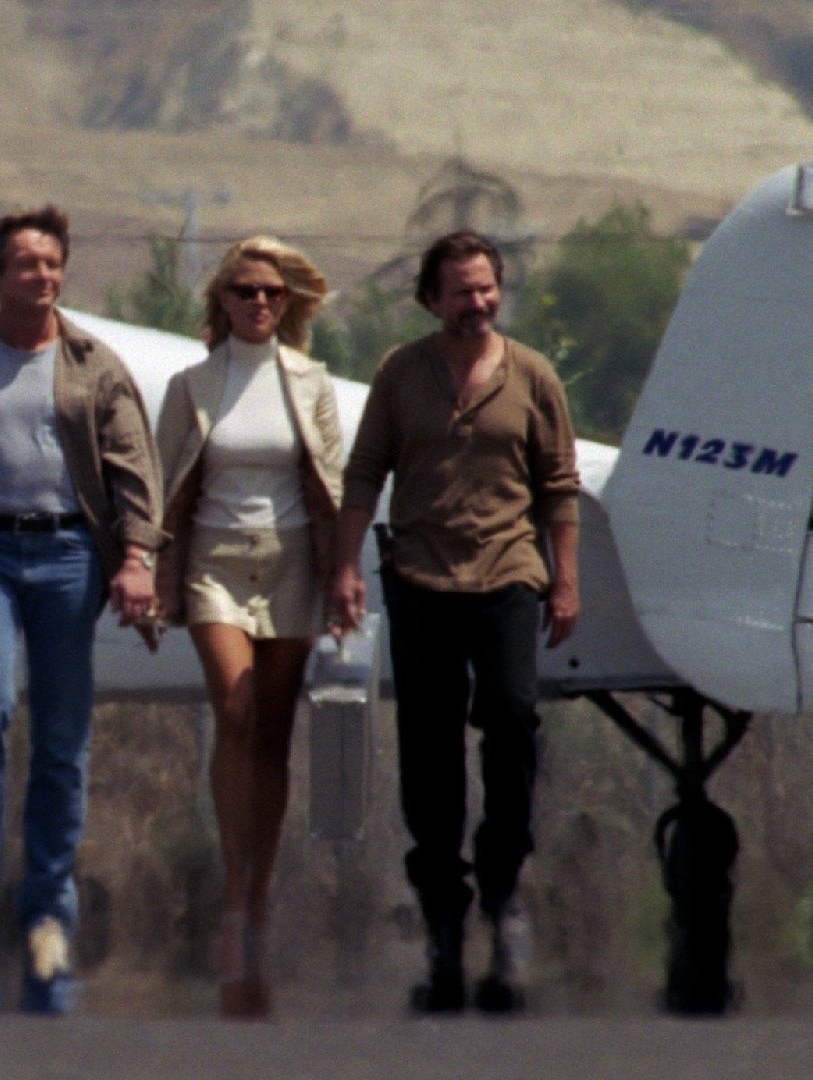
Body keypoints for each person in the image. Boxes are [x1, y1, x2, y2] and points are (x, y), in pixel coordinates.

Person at [0, 205, 166, 1016]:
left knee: (61, 734)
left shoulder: (94, 365)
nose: (44, 276)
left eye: (53, 263)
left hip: (66, 556)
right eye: (27, 264)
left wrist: (136, 558)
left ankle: (50, 913)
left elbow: (135, 472)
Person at [328, 230, 581, 1015]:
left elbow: (559, 484)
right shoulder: (400, 373)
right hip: (421, 578)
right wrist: (344, 568)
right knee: (429, 746)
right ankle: (443, 919)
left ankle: (503, 891)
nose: (477, 302)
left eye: (485, 288)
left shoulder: (531, 374)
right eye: (461, 291)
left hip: (509, 574)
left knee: (511, 716)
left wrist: (566, 580)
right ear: (432, 299)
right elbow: (364, 471)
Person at [150, 237, 342, 1018]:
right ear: (222, 301)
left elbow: (332, 483)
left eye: (271, 292)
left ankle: (258, 890)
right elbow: (163, 485)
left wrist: (343, 574)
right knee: (235, 708)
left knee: (272, 729)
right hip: (215, 561)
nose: (259, 302)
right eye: (244, 291)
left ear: (287, 302)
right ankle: (234, 892)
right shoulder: (193, 384)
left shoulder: (311, 381)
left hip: (292, 559)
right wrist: (151, 572)